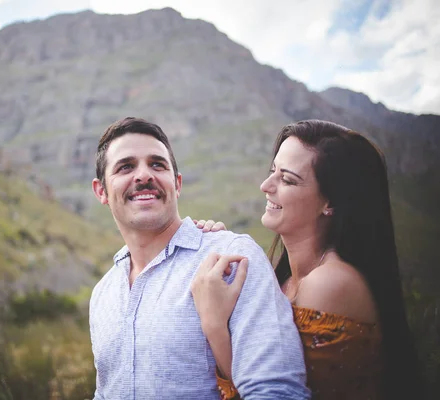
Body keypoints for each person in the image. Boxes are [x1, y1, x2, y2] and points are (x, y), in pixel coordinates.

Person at [192, 120, 423, 399]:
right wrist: (212, 243)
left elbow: (279, 393)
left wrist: (216, 326)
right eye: (272, 171)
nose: (266, 185)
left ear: (330, 203)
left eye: (287, 179)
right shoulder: (286, 279)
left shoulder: (330, 283)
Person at [89, 117, 311, 399]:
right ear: (101, 191)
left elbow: (277, 390)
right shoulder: (103, 294)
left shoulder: (231, 259)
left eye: (157, 164)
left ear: (177, 183)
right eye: (126, 167)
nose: (144, 175)